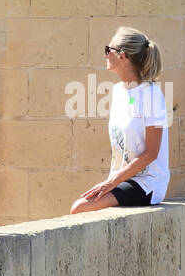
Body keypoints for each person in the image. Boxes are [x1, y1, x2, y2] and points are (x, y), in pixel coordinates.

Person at [70, 26, 170, 214]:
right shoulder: (118, 91)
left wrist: (110, 183)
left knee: (80, 208)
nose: (106, 54)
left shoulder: (152, 95)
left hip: (148, 182)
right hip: (122, 179)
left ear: (123, 56)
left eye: (108, 50)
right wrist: (113, 181)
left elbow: (152, 153)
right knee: (81, 208)